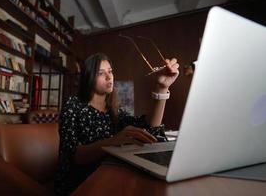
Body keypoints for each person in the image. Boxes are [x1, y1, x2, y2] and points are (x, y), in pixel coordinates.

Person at [54, 53, 179, 195]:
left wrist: (162, 89)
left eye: (110, 71)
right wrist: (112, 142)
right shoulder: (72, 105)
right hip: (79, 184)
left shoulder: (114, 111)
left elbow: (149, 127)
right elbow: (73, 156)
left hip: (109, 177)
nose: (109, 77)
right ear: (88, 77)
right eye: (101, 73)